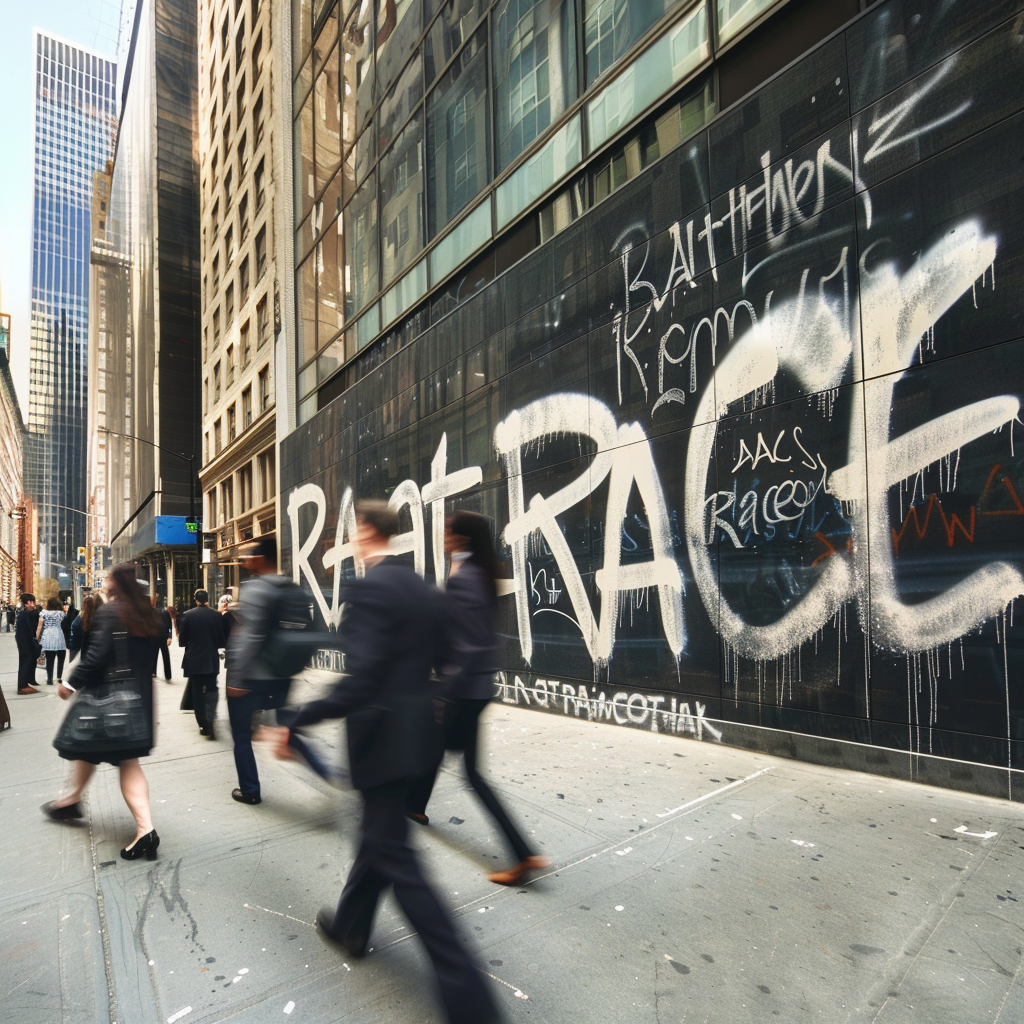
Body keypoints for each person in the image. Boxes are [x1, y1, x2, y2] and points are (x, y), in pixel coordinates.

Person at [267, 500, 502, 1024]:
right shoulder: (423, 587)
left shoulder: (370, 589)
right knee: (380, 837)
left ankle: (471, 1002)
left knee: (401, 865)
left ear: (366, 532)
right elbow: (445, 660)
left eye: (353, 532)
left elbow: (365, 678)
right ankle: (350, 924)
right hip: (417, 737)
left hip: (381, 741)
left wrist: (298, 719)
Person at [406, 511, 552, 886]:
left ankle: (523, 855)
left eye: (448, 531)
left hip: (463, 689)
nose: (442, 535)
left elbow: (469, 644)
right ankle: (415, 807)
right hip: (474, 687)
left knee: (472, 774)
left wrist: (446, 693)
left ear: (461, 538)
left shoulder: (466, 578)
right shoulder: (477, 572)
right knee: (436, 750)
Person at [42, 563, 163, 860]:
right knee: (99, 753)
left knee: (102, 750)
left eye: (108, 577)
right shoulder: (149, 615)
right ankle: (71, 800)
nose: (105, 581)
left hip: (108, 700)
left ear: (117, 583)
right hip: (138, 700)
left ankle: (145, 828)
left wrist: (69, 683)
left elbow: (96, 656)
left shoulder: (111, 612)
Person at [225, 537, 294, 804]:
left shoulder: (255, 589)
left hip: (252, 677)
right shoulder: (289, 586)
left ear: (262, 559)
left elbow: (250, 638)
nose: (245, 560)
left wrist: (237, 679)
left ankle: (250, 790)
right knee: (288, 729)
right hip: (283, 675)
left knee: (241, 736)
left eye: (251, 555)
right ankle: (319, 765)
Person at [178, 589, 225, 739]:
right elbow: (221, 641)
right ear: (207, 599)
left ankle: (203, 724)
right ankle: (211, 717)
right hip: (211, 659)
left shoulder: (188, 615)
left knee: (197, 693)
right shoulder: (216, 615)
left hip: (194, 660)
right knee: (212, 689)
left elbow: (182, 642)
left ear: (195, 600)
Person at [37, 597, 67, 686]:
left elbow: (39, 626)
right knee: (61, 657)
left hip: (48, 635)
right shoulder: (60, 614)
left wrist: (37, 637)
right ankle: (59, 677)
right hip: (58, 634)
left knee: (50, 658)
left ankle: (49, 679)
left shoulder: (43, 613)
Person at [15, 594, 40, 694]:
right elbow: (29, 628)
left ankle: (25, 682)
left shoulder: (26, 613)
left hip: (25, 639)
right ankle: (22, 686)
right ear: (28, 602)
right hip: (24, 640)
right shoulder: (24, 613)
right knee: (26, 659)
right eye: (32, 602)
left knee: (27, 659)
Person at [69, 594, 101, 661]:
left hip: (80, 653)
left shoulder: (78, 620)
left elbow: (74, 641)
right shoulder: (97, 618)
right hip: (95, 653)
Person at [151, 595, 173, 681]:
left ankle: (153, 672)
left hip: (154, 636)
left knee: (154, 655)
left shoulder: (152, 613)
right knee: (166, 655)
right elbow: (169, 626)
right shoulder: (165, 613)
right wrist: (169, 637)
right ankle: (168, 674)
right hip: (163, 636)